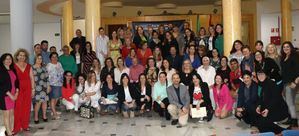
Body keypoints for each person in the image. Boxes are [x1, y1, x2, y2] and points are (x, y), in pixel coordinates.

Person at [255, 70, 288, 134]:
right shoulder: (262, 84)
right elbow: (261, 98)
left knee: (262, 122)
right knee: (258, 120)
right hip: (270, 108)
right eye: (258, 75)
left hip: (278, 109)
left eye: (262, 74)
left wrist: (267, 109)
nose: (260, 76)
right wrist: (258, 106)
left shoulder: (271, 83)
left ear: (266, 75)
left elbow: (276, 99)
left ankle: (283, 131)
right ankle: (269, 133)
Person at [13, 49, 35, 133]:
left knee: (26, 107)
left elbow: (32, 78)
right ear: (17, 56)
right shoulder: (13, 66)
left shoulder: (29, 66)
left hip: (28, 88)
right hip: (18, 89)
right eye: (20, 55)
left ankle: (25, 125)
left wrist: (33, 90)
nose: (22, 57)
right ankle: (17, 127)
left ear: (26, 57)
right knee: (18, 108)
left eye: (24, 55)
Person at [280, 41, 299, 128]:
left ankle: (294, 121)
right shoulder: (284, 57)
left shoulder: (294, 57)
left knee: (290, 102)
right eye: (284, 47)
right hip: (285, 82)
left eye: (287, 47)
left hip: (291, 83)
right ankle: (290, 118)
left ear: (291, 47)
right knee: (287, 102)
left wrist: (295, 82)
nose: (286, 48)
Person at [0, 54, 19, 136]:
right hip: (5, 95)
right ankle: (8, 132)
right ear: (3, 60)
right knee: (6, 115)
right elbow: (1, 85)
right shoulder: (1, 70)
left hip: (14, 94)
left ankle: (11, 130)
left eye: (10, 59)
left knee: (12, 114)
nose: (9, 60)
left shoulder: (13, 69)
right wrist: (10, 95)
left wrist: (17, 92)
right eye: (6, 59)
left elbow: (16, 82)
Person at [32, 55, 49, 124]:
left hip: (44, 87)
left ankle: (44, 116)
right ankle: (36, 117)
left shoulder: (44, 68)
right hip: (36, 87)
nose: (39, 59)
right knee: (38, 103)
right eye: (38, 58)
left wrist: (48, 86)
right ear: (35, 59)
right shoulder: (32, 68)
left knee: (44, 102)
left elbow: (47, 78)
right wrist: (32, 88)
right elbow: (30, 78)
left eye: (41, 58)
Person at [47, 52, 64, 120]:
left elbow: (62, 72)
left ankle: (53, 110)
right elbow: (47, 76)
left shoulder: (59, 64)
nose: (54, 58)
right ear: (50, 58)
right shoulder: (49, 65)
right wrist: (48, 85)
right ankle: (54, 114)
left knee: (56, 98)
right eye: (53, 57)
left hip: (59, 84)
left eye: (56, 56)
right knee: (53, 99)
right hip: (52, 84)